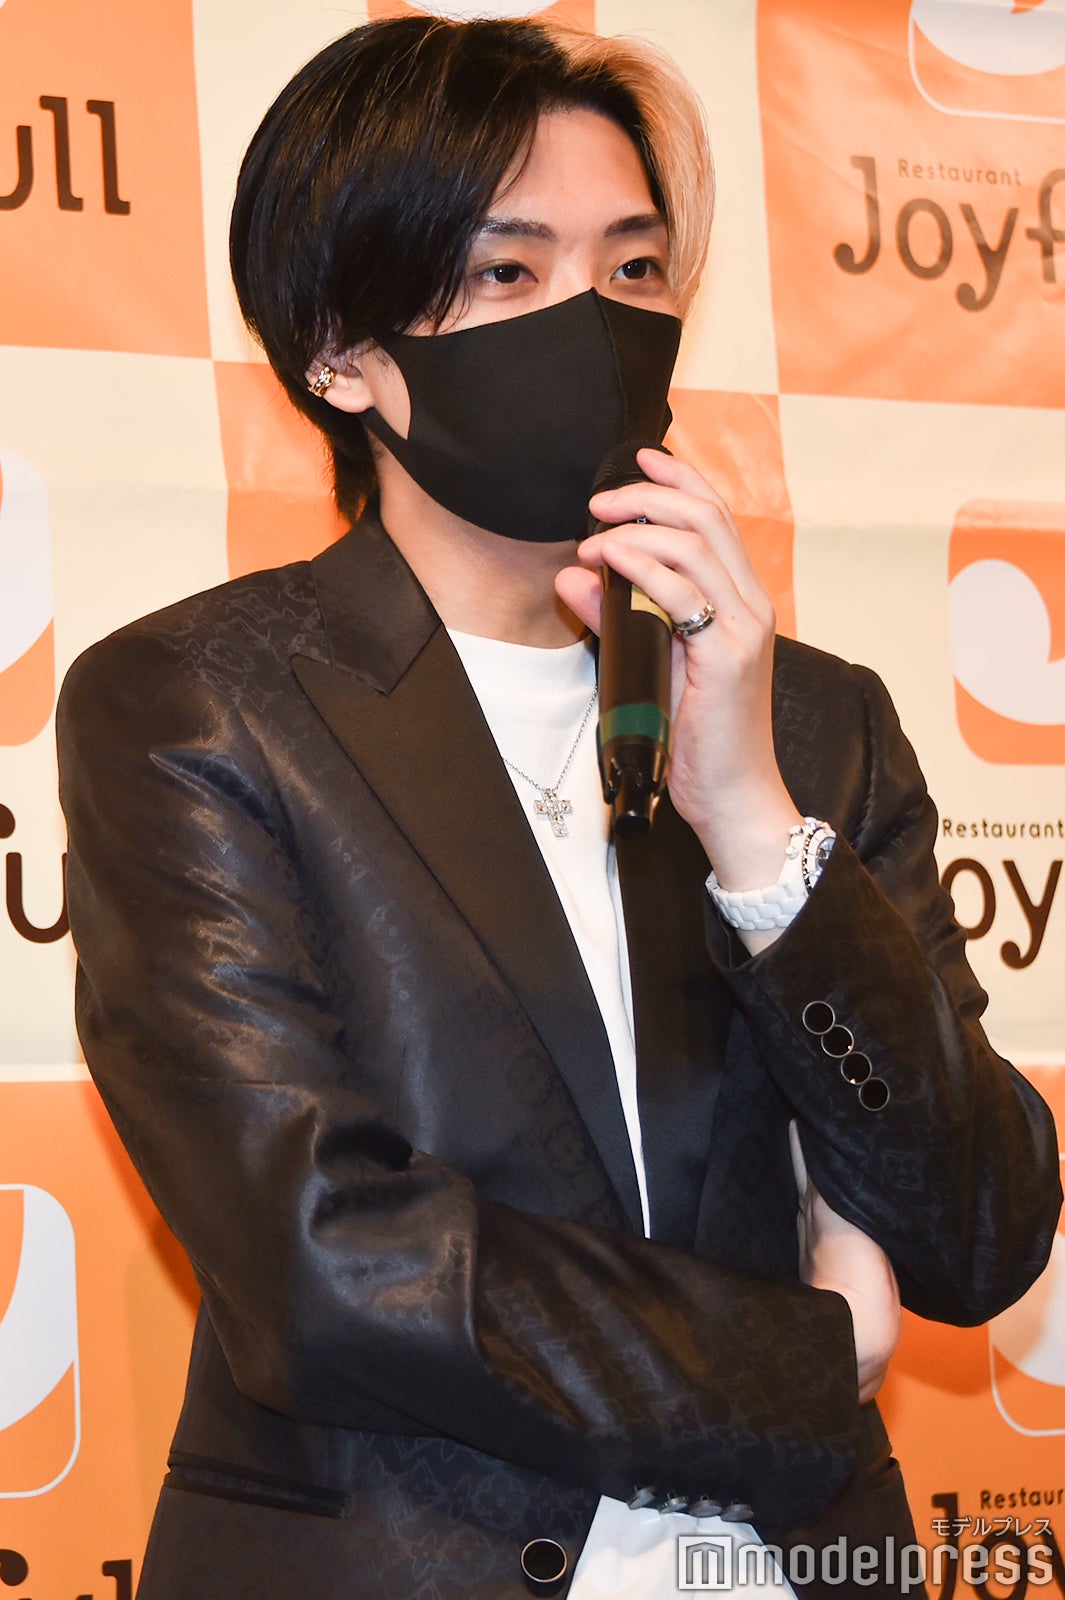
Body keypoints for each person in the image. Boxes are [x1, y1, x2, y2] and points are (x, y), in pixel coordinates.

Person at [56, 15, 1060, 1600]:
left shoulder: (814, 721)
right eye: (507, 272)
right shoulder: (199, 705)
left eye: (633, 268)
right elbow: (324, 1259)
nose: (590, 321)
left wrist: (755, 829)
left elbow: (976, 1231)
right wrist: (807, 1358)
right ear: (340, 353)